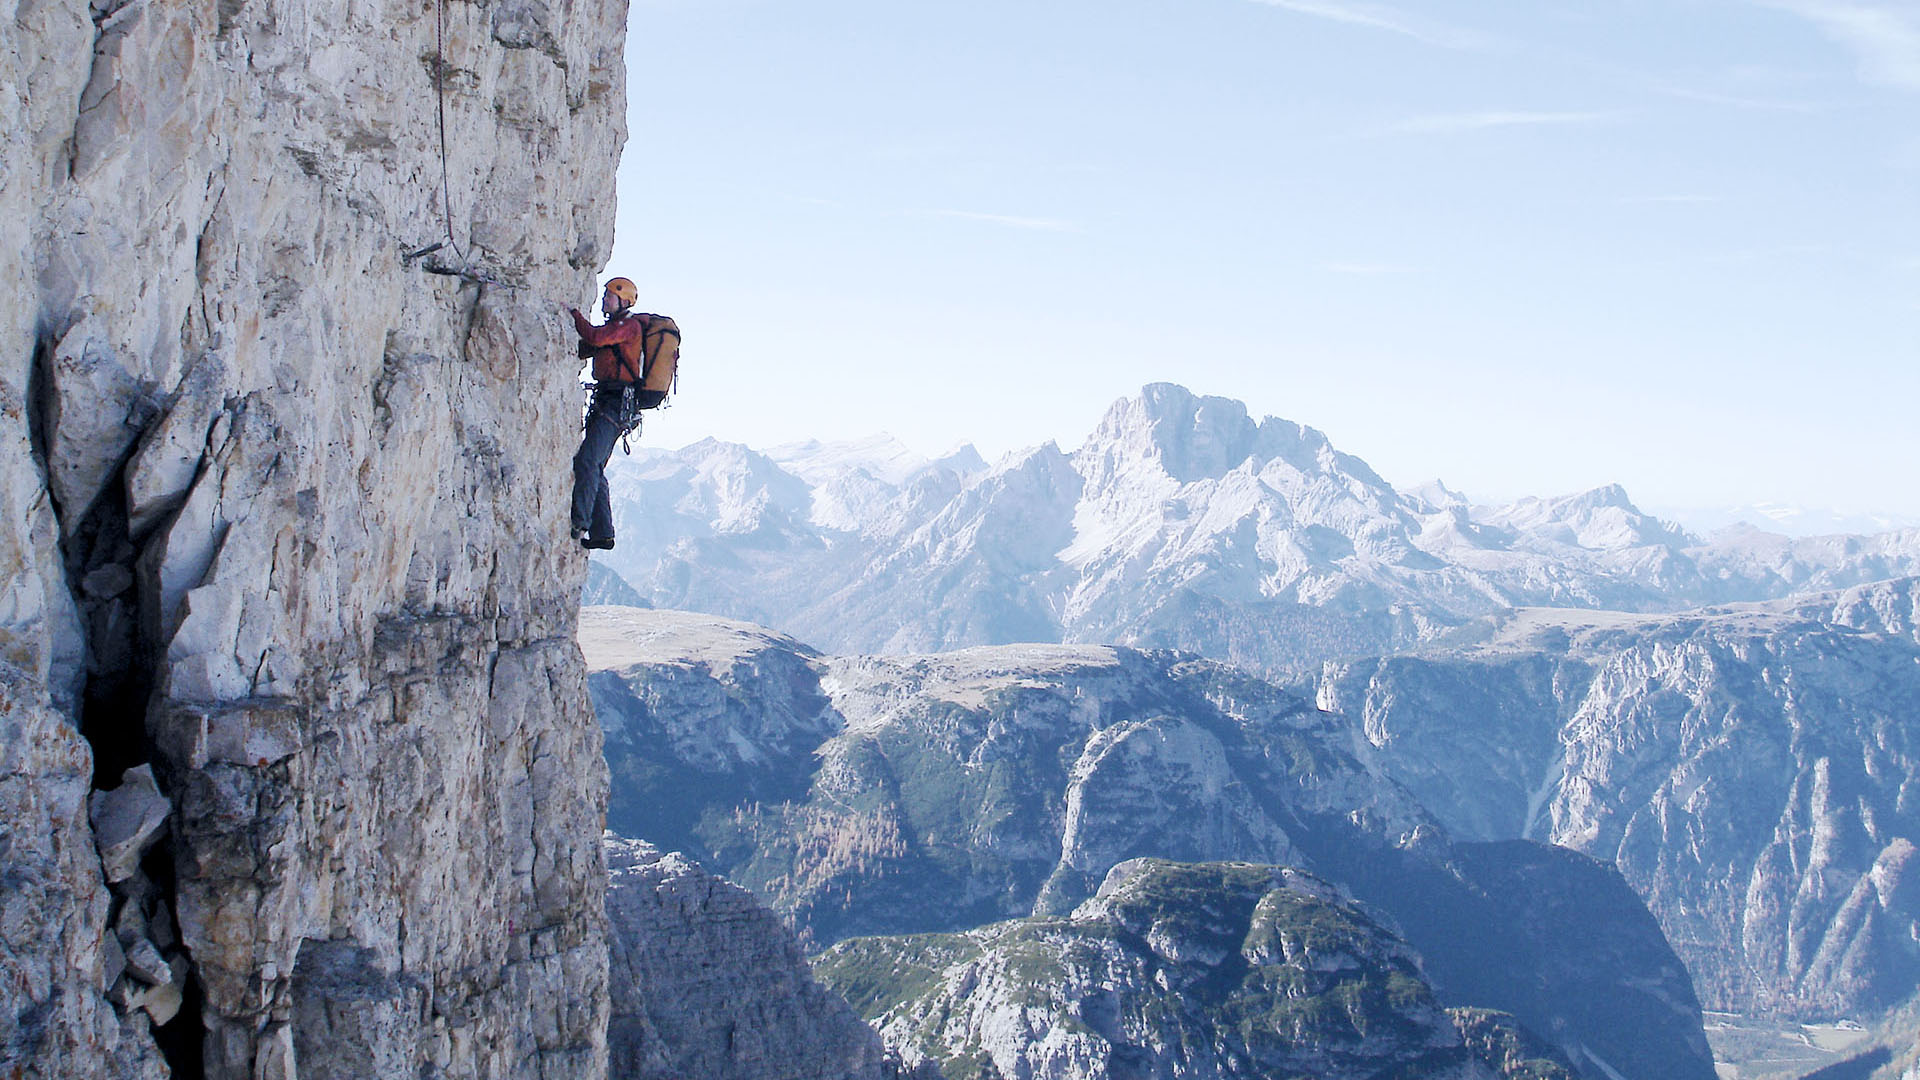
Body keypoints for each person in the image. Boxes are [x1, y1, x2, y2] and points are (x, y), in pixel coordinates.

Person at [567, 277, 665, 550]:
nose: (604, 301)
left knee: (588, 461)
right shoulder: (616, 329)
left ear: (623, 300)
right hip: (609, 402)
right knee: (594, 464)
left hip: (616, 404)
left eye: (609, 296)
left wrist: (573, 315)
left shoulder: (628, 327)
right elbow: (590, 346)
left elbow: (595, 337)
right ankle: (602, 534)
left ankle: (580, 522)